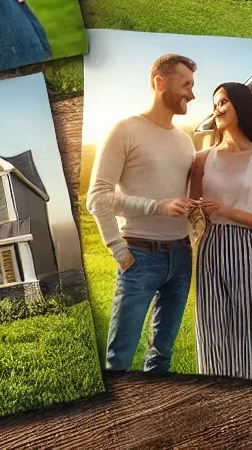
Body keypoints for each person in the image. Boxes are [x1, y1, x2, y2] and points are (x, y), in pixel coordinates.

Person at [86, 53, 198, 373]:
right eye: (185, 84)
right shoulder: (124, 130)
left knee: (162, 356)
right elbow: (98, 197)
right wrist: (119, 251)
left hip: (181, 258)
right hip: (139, 256)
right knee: (119, 358)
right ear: (159, 82)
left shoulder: (185, 142)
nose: (191, 93)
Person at [190, 82, 252, 379]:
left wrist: (227, 211)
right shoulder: (202, 158)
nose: (217, 108)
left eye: (223, 102)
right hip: (210, 246)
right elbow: (193, 211)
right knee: (212, 333)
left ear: (240, 106)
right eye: (215, 103)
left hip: (248, 248)